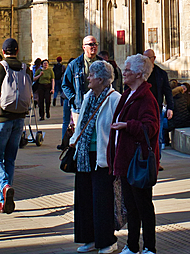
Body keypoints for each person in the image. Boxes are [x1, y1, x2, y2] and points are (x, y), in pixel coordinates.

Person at [109, 53, 160, 254]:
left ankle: (149, 246)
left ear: (139, 74)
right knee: (131, 207)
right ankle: (132, 245)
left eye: (128, 69)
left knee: (143, 206)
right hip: (126, 159)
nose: (124, 72)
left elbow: (151, 127)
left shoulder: (146, 98)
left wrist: (127, 125)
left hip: (138, 161)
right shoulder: (127, 94)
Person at [69, 59, 121, 253]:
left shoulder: (114, 98)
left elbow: (116, 129)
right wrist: (74, 140)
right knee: (85, 200)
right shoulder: (88, 96)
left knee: (102, 201)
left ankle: (107, 240)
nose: (88, 78)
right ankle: (89, 238)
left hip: (103, 158)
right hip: (84, 156)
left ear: (101, 79)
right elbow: (82, 122)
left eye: (91, 75)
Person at [0, 37, 32, 214]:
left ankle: (4, 186)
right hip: (19, 118)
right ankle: (4, 201)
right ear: (17, 51)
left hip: (0, 118)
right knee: (10, 159)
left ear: (3, 52)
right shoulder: (27, 68)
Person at [62, 35, 99, 126]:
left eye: (95, 44)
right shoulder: (74, 65)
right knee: (81, 135)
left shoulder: (103, 64)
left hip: (99, 106)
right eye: (91, 44)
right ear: (84, 47)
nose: (94, 46)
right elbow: (65, 85)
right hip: (80, 108)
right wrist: (74, 99)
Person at [143, 49, 173, 147]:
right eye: (144, 58)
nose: (146, 60)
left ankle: (156, 160)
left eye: (148, 58)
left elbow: (167, 91)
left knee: (158, 137)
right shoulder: (139, 73)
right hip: (143, 109)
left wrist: (170, 107)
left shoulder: (160, 73)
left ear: (154, 58)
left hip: (156, 108)